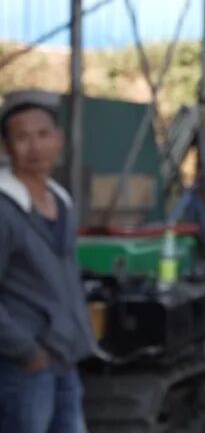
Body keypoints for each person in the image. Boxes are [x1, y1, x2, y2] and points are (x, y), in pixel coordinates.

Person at [0, 96, 94, 433]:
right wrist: (26, 352)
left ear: (59, 139)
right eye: (22, 137)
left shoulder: (61, 200)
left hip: (63, 358)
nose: (35, 147)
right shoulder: (5, 208)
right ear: (6, 146)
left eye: (43, 135)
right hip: (22, 366)